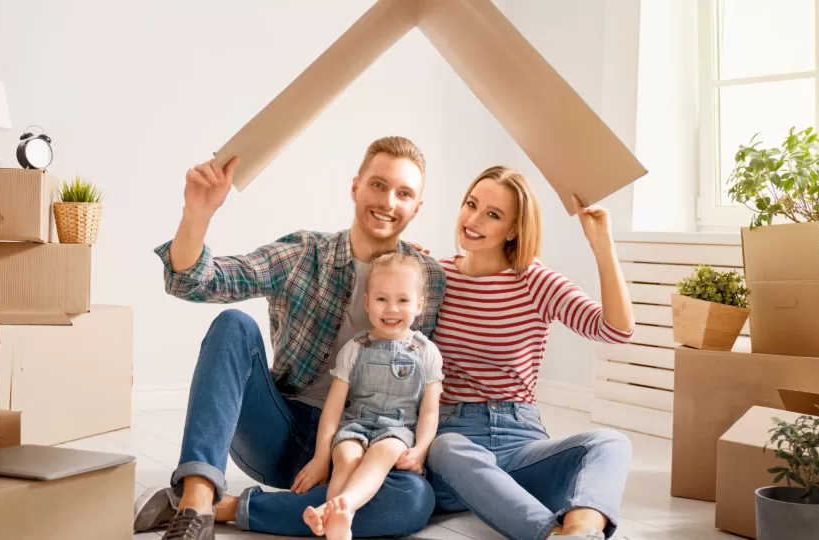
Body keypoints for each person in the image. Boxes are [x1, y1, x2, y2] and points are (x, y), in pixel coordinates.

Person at [133, 136, 446, 540]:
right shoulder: (304, 253)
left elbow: (444, 354)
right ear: (355, 186)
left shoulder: (430, 278)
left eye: (403, 193)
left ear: (416, 208)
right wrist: (197, 214)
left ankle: (229, 508)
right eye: (378, 185)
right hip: (283, 436)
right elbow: (195, 282)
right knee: (233, 325)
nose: (388, 202)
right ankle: (195, 504)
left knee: (413, 501)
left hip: (368, 448)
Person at [425, 166, 636, 540]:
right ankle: (548, 534)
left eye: (493, 214)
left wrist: (602, 244)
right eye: (471, 205)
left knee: (611, 443)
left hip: (521, 440)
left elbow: (615, 330)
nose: (473, 220)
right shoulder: (433, 276)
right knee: (446, 447)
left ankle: (581, 533)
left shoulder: (534, 280)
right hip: (454, 443)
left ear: (514, 229)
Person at [294, 252, 444, 540]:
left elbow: (429, 411)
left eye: (403, 300)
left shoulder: (426, 351)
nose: (391, 309)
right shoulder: (355, 347)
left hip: (397, 429)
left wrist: (421, 449)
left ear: (420, 305)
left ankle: (339, 510)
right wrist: (321, 455)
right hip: (355, 424)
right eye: (381, 299)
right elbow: (334, 408)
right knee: (347, 457)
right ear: (367, 302)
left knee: (382, 452)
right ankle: (336, 524)